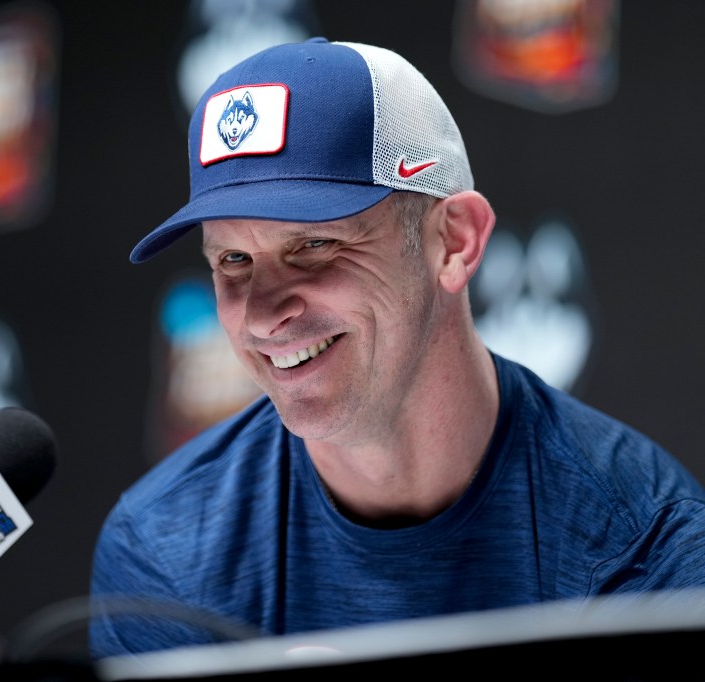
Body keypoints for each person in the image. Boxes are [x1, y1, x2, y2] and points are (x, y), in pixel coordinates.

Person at [88, 37, 705, 659]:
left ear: (454, 242)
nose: (263, 314)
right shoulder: (165, 553)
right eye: (233, 260)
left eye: (313, 246)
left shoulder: (642, 543)